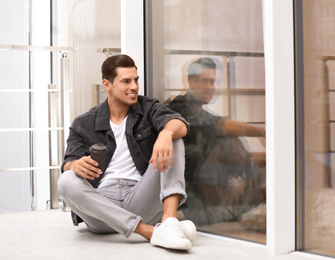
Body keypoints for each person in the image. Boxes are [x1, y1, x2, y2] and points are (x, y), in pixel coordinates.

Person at [58, 54, 196, 251]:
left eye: (136, 80)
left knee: (175, 139)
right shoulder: (83, 123)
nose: (134, 86)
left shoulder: (148, 108)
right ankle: (152, 232)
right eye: (126, 81)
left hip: (140, 197)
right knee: (66, 180)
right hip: (102, 210)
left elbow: (179, 124)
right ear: (107, 84)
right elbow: (68, 163)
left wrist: (166, 132)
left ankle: (170, 222)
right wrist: (74, 165)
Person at [169, 57, 266, 226]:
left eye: (214, 82)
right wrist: (261, 132)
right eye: (207, 81)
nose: (211, 88)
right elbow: (220, 126)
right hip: (196, 201)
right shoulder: (180, 107)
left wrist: (270, 158)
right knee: (226, 138)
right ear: (191, 81)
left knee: (269, 176)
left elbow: (216, 125)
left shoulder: (201, 113)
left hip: (216, 193)